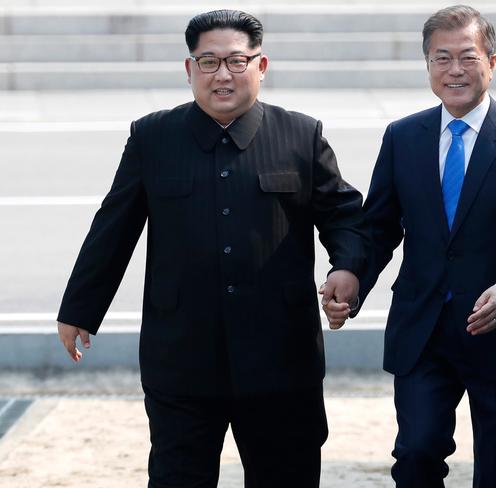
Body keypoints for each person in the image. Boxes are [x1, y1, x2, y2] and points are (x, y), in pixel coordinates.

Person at [56, 9, 364, 488]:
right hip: (181, 358)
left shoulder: (301, 135)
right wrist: (80, 308)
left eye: (237, 62)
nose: (223, 74)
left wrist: (347, 268)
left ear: (261, 67)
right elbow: (113, 227)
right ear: (189, 69)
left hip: (281, 358)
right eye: (209, 62)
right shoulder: (152, 137)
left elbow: (345, 215)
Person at [322, 5, 496, 487]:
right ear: (428, 66)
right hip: (423, 327)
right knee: (415, 454)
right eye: (442, 58)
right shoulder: (403, 136)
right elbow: (379, 226)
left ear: (491, 62)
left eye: (468, 57)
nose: (455, 70)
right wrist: (351, 279)